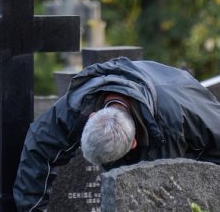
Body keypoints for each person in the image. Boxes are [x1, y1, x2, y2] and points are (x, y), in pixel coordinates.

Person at [13, 57, 220, 212]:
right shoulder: (80, 103)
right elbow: (38, 149)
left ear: (133, 143)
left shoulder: (173, 125)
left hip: (196, 142)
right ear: (93, 116)